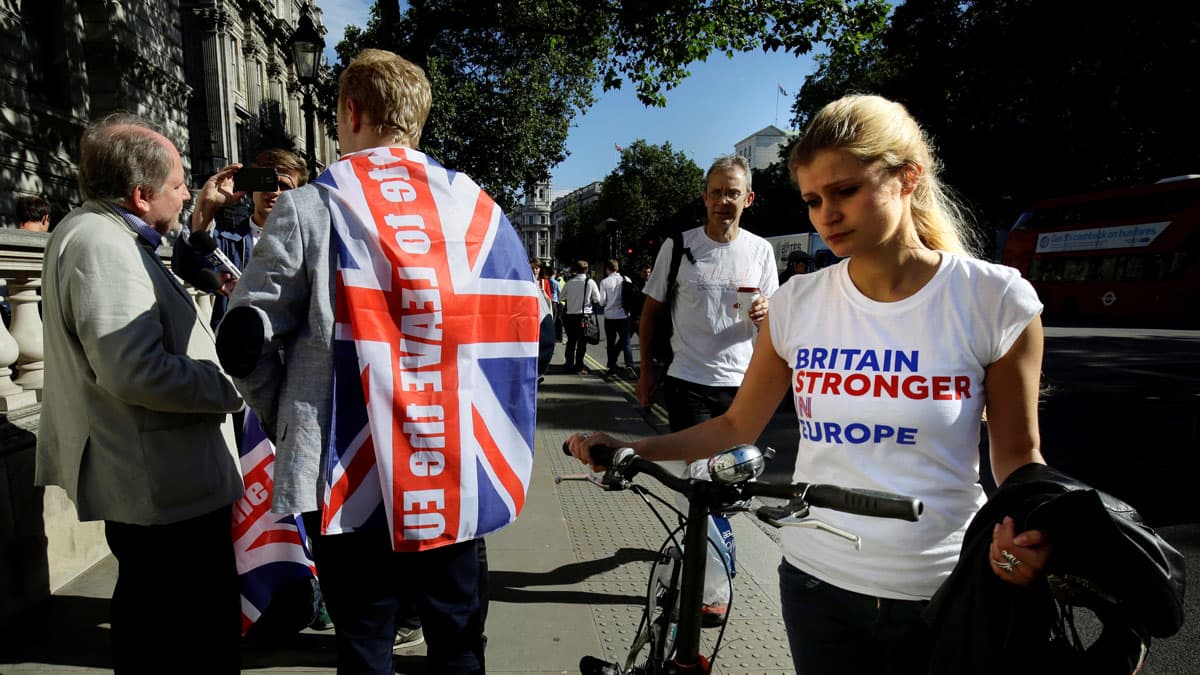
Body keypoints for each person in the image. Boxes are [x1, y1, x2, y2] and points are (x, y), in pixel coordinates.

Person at [568, 94, 1050, 674]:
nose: (827, 214)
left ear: (908, 178)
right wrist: (630, 448)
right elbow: (735, 425)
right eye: (813, 199)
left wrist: (1027, 532)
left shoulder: (995, 299)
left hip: (940, 587)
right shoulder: (797, 303)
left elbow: (1019, 460)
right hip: (815, 585)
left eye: (845, 191)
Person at [216, 49, 538, 675]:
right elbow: (528, 332)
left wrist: (287, 410)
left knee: (364, 643)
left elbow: (244, 341)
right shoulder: (480, 213)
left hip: (344, 468)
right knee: (458, 641)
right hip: (455, 464)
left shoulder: (311, 206)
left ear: (351, 111)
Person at [35, 113, 245, 673]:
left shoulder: (109, 234)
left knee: (162, 627)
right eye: (178, 185)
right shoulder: (102, 244)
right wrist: (231, 388)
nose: (184, 195)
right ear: (140, 192)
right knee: (181, 637)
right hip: (162, 487)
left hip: (164, 481)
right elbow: (135, 372)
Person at [634, 154, 777, 622]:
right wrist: (646, 372)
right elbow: (652, 312)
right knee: (703, 486)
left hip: (742, 387)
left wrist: (766, 316)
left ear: (748, 199)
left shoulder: (760, 251)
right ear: (705, 197)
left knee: (729, 489)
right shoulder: (678, 246)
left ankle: (701, 559)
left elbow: (775, 323)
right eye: (715, 192)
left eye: (732, 193)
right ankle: (710, 592)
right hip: (688, 382)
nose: (722, 201)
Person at [172, 148, 307, 330]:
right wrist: (208, 205)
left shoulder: (310, 246)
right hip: (237, 351)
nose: (273, 191)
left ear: (300, 194)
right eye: (266, 181)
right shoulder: (227, 242)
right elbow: (186, 266)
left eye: (283, 185)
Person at [598, 259, 636, 379]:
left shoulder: (604, 282)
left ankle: (612, 368)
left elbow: (602, 301)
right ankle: (629, 365)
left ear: (607, 269)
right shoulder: (626, 280)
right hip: (624, 316)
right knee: (626, 342)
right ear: (617, 268)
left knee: (611, 343)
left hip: (610, 317)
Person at [561, 259, 601, 374]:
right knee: (582, 343)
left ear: (575, 270)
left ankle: (568, 364)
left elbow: (561, 297)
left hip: (570, 317)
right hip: (584, 317)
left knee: (571, 341)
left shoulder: (570, 282)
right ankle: (579, 366)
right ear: (587, 270)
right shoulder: (590, 282)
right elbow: (597, 299)